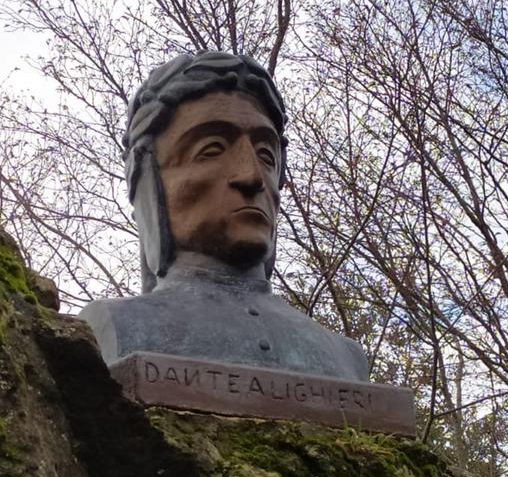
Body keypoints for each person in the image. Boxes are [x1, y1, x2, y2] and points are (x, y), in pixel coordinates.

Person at [80, 51, 369, 381]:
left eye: (266, 155)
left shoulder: (346, 358)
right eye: (212, 149)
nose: (252, 177)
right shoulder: (112, 328)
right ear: (151, 182)